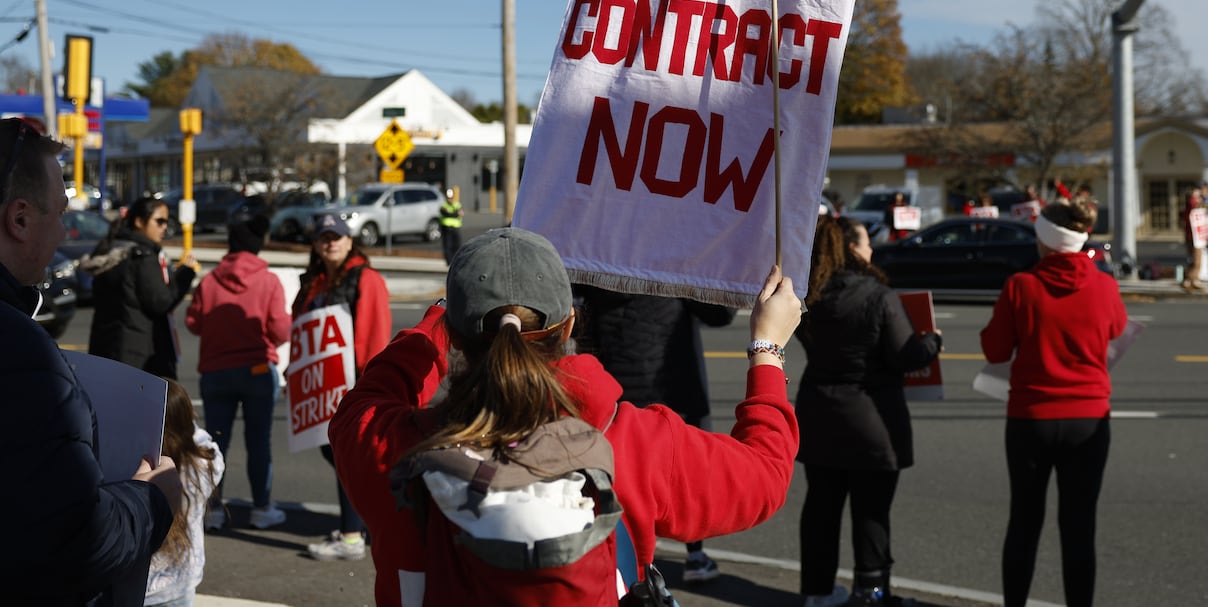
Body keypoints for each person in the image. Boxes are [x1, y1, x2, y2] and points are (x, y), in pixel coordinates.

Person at [329, 227, 803, 607]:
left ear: (454, 335)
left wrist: (437, 318)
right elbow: (765, 473)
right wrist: (767, 348)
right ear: (571, 324)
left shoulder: (389, 446)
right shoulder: (635, 441)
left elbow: (371, 393)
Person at [0, 117, 183, 605]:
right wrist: (152, 499)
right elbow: (76, 539)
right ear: (18, 219)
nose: (64, 232)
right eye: (59, 213)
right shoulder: (20, 352)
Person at [980, 198, 1128, 607]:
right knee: (1079, 527)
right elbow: (1116, 327)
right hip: (1089, 418)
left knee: (1024, 523)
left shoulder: (1021, 286)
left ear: (1043, 241)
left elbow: (994, 351)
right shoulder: (1105, 285)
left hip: (1031, 419)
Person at [797, 215, 943, 607]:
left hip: (819, 414)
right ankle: (871, 591)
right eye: (865, 242)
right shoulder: (878, 296)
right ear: (851, 248)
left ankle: (816, 591)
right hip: (871, 419)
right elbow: (905, 355)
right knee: (871, 512)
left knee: (821, 509)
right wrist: (931, 342)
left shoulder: (808, 295)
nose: (871, 249)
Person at [573, 284, 736, 584]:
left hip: (617, 392)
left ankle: (632, 563)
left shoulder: (601, 263)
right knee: (689, 478)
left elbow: (581, 320)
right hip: (674, 387)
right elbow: (720, 313)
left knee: (622, 482)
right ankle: (695, 553)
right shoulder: (671, 265)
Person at [291, 211, 392, 561]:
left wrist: (367, 388)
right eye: (323, 237)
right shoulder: (314, 282)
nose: (330, 242)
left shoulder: (366, 279)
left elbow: (374, 337)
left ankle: (352, 536)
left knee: (347, 457)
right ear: (316, 245)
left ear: (350, 241)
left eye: (336, 236)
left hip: (351, 389)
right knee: (336, 455)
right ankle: (359, 525)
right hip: (321, 390)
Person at [184, 204, 291, 530]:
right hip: (257, 370)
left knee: (216, 443)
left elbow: (193, 323)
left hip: (216, 372)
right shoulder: (269, 281)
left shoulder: (210, 281)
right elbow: (281, 331)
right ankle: (261, 507)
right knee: (259, 442)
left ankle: (215, 510)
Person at [84, 195, 200, 378]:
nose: (164, 227)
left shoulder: (110, 248)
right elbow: (160, 302)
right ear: (139, 222)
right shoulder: (142, 257)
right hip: (140, 357)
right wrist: (185, 274)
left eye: (166, 222)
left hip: (106, 348)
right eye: (159, 221)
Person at [145, 382, 224, 607]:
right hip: (181, 584)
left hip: (140, 587)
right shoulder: (205, 465)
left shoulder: (135, 467)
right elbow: (203, 440)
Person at [1181, 188, 1206, 294]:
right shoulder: (1190, 210)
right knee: (1195, 260)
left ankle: (1193, 280)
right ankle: (1189, 279)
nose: (1198, 199)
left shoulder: (1201, 209)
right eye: (1196, 196)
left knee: (1196, 260)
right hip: (1192, 238)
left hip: (1199, 238)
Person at [439, 187, 464, 263]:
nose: (449, 199)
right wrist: (455, 213)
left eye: (451, 198)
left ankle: (456, 260)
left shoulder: (457, 204)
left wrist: (453, 213)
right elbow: (447, 213)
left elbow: (460, 213)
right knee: (448, 246)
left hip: (456, 228)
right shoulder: (443, 205)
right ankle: (449, 261)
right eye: (448, 198)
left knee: (457, 245)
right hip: (447, 228)